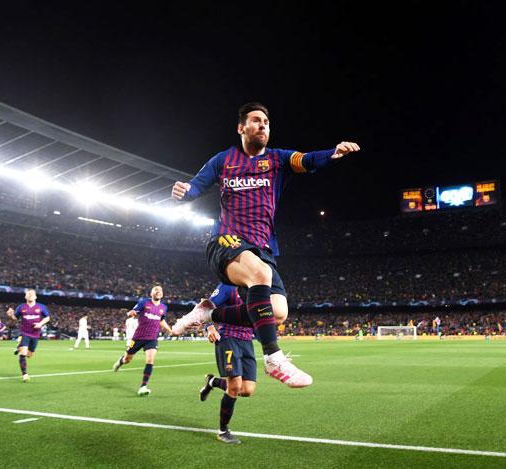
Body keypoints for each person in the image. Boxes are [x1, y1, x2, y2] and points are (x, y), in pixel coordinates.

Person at [171, 102, 360, 388]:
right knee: (260, 274)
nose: (262, 125)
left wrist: (332, 153)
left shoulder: (278, 159)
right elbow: (196, 187)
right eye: (256, 120)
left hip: (263, 248)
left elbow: (306, 160)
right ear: (241, 127)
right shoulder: (223, 161)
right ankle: (274, 358)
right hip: (226, 241)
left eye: (266, 122)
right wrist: (184, 192)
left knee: (278, 312)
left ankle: (208, 313)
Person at [199, 283, 256, 445]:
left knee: (247, 390)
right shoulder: (228, 286)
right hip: (228, 337)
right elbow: (205, 307)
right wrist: (209, 327)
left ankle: (213, 381)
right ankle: (223, 430)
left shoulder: (256, 288)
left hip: (247, 341)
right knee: (235, 385)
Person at [112, 285, 173, 396]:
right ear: (151, 293)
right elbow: (134, 311)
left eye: (160, 290)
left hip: (152, 338)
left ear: (162, 294)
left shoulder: (164, 307)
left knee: (150, 360)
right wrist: (131, 313)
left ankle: (143, 386)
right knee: (127, 359)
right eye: (156, 290)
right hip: (138, 337)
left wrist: (169, 330)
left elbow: (161, 320)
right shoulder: (144, 302)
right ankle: (121, 361)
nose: (158, 291)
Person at [5, 289, 50, 382]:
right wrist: (11, 315)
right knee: (23, 354)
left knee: (29, 355)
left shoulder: (41, 307)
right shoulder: (21, 307)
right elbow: (15, 318)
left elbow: (47, 318)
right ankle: (25, 374)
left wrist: (40, 324)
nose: (30, 295)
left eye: (32, 293)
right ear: (25, 296)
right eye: (28, 294)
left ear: (35, 296)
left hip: (36, 334)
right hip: (25, 333)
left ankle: (19, 346)